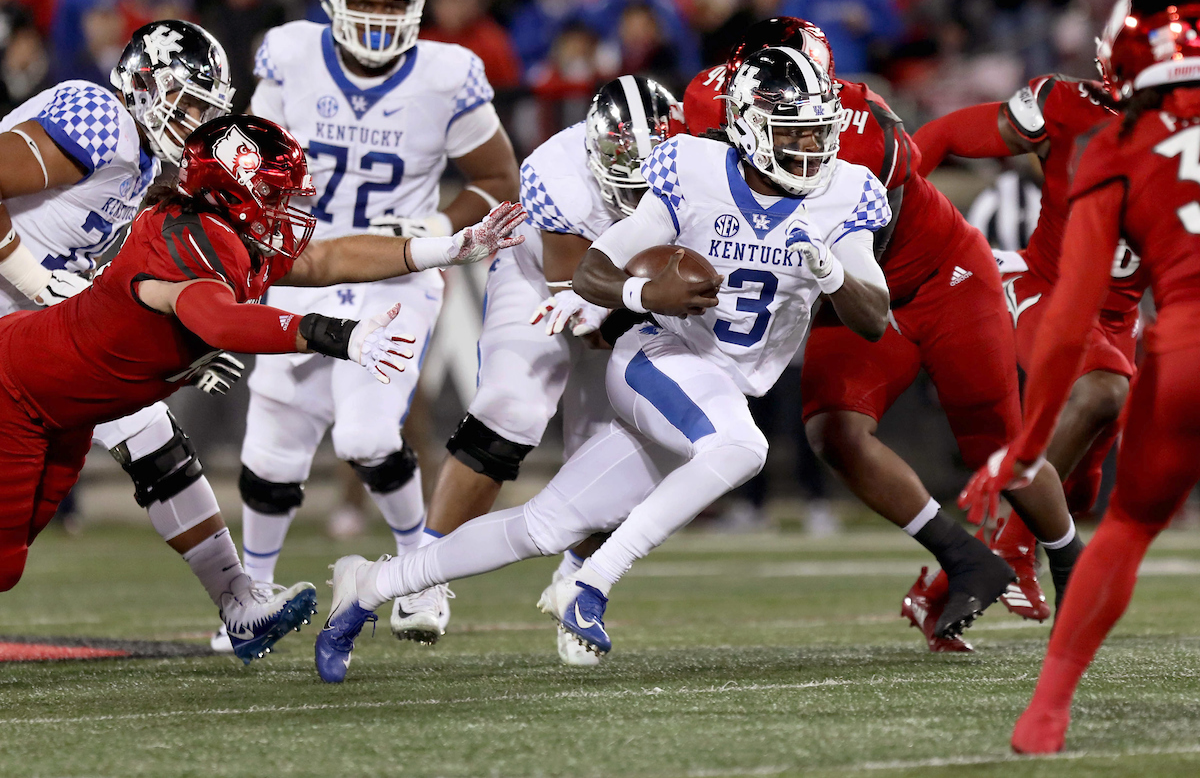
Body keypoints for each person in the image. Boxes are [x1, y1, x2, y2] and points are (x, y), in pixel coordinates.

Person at [313, 46, 893, 683]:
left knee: (546, 522)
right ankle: (592, 584)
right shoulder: (691, 167)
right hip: (656, 357)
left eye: (819, 128)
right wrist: (648, 296)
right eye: (795, 129)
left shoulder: (847, 193)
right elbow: (592, 268)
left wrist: (834, 270)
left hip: (716, 391)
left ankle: (368, 585)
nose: (812, 145)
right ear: (752, 125)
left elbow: (871, 318)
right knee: (742, 448)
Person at [0, 114, 525, 664]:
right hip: (18, 392)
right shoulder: (185, 238)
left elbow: (329, 258)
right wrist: (334, 335)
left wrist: (452, 246)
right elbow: (220, 322)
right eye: (274, 193)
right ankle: (239, 599)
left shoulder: (223, 231)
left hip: (65, 410)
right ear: (229, 189)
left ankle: (240, 601)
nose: (287, 208)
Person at [683, 17, 1082, 650]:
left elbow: (865, 231)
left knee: (996, 446)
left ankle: (1069, 560)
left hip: (937, 278)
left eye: (809, 95)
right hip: (850, 297)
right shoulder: (702, 107)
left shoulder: (864, 124)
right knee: (833, 431)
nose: (795, 108)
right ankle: (963, 556)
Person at [214, 0, 520, 651]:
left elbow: (498, 181)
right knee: (271, 446)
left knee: (366, 433)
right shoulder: (290, 53)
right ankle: (250, 599)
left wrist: (441, 221)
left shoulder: (448, 73)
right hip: (301, 266)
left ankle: (420, 573)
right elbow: (252, 159)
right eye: (367, 4)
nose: (380, 20)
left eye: (393, 6)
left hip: (395, 268)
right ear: (334, 5)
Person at [956, 0, 1200, 754]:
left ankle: (1046, 713)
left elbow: (1067, 324)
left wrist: (1023, 454)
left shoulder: (1117, 150)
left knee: (1126, 525)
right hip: (1137, 335)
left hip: (1181, 350)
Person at [0, 19, 283, 654]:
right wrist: (31, 277)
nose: (190, 122)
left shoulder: (151, 165)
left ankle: (239, 600)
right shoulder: (100, 114)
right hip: (18, 309)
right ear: (143, 83)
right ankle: (237, 597)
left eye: (202, 110)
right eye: (182, 103)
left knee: (149, 431)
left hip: (33, 323)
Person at [399, 74, 678, 664]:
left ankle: (576, 580)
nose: (639, 200)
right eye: (629, 186)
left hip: (633, 297)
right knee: (510, 407)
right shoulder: (558, 171)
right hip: (547, 281)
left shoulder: (701, 164)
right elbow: (580, 302)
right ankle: (421, 572)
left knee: (626, 449)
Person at [915, 52, 1139, 618]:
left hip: (1117, 320)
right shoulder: (1063, 106)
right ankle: (1013, 547)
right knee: (1102, 392)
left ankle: (941, 590)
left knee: (1077, 495)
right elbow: (944, 134)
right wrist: (892, 210)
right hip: (1044, 289)